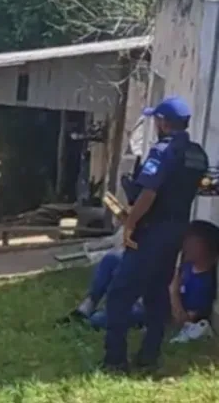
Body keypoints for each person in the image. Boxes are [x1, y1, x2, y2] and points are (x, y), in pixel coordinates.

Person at [101, 96, 209, 373]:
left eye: (156, 120)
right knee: (156, 294)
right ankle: (149, 356)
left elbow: (149, 193)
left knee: (120, 295)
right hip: (177, 231)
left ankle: (115, 361)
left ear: (162, 122)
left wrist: (130, 223)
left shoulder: (163, 151)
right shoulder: (197, 153)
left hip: (152, 230)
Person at [59, 220, 219, 337]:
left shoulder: (204, 283)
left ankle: (103, 313)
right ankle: (87, 306)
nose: (184, 247)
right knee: (112, 259)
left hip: (154, 311)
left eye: (190, 244)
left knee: (98, 320)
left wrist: (173, 292)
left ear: (203, 247)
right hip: (149, 291)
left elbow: (181, 322)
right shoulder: (187, 263)